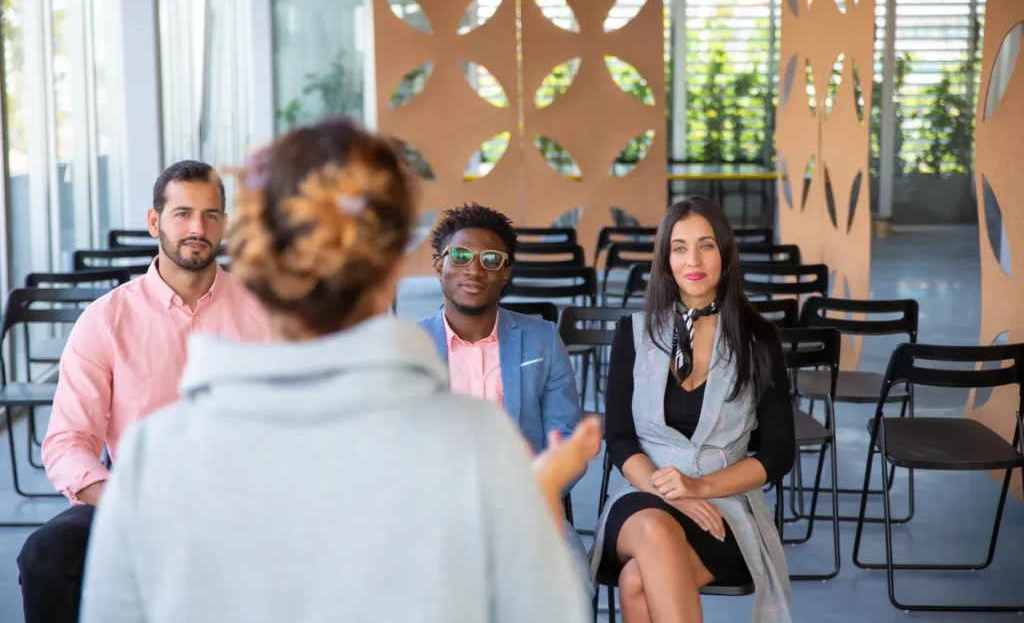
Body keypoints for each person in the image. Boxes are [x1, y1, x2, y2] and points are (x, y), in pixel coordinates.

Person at [78, 118, 596, 623]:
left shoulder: (153, 457)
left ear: (256, 261)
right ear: (398, 267)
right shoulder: (480, 447)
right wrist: (535, 510)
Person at [16, 160, 271, 623]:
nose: (198, 227)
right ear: (155, 221)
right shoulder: (106, 319)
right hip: (133, 494)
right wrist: (124, 503)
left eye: (211, 215)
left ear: (225, 224)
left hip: (239, 497)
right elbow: (68, 442)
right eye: (183, 213)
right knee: (45, 555)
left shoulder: (264, 315)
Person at [590, 197, 796, 623]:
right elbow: (620, 438)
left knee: (635, 582)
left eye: (706, 245)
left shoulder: (759, 339)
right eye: (679, 247)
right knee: (654, 528)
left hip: (723, 506)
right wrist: (673, 493)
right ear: (666, 259)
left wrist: (699, 489)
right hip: (643, 497)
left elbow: (778, 452)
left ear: (725, 253)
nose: (693, 260)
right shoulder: (632, 333)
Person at [419, 203, 592, 592]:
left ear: (506, 271)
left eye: (491, 259)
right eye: (460, 255)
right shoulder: (409, 349)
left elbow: (563, 435)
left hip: (528, 505)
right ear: (438, 265)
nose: (474, 269)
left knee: (570, 580)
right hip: (436, 513)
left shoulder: (542, 339)